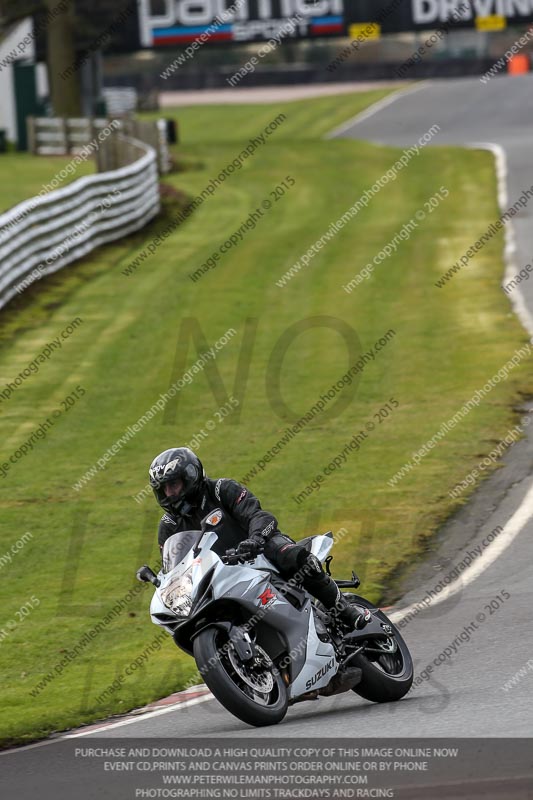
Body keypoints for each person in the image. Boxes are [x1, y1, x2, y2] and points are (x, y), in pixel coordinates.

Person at [148, 447, 369, 631]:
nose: (169, 494)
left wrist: (254, 540)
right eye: (163, 489)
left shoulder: (221, 490)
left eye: (173, 485)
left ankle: (343, 609)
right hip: (219, 576)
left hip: (259, 551)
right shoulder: (168, 527)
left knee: (293, 557)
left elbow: (258, 516)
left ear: (190, 477)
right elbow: (176, 569)